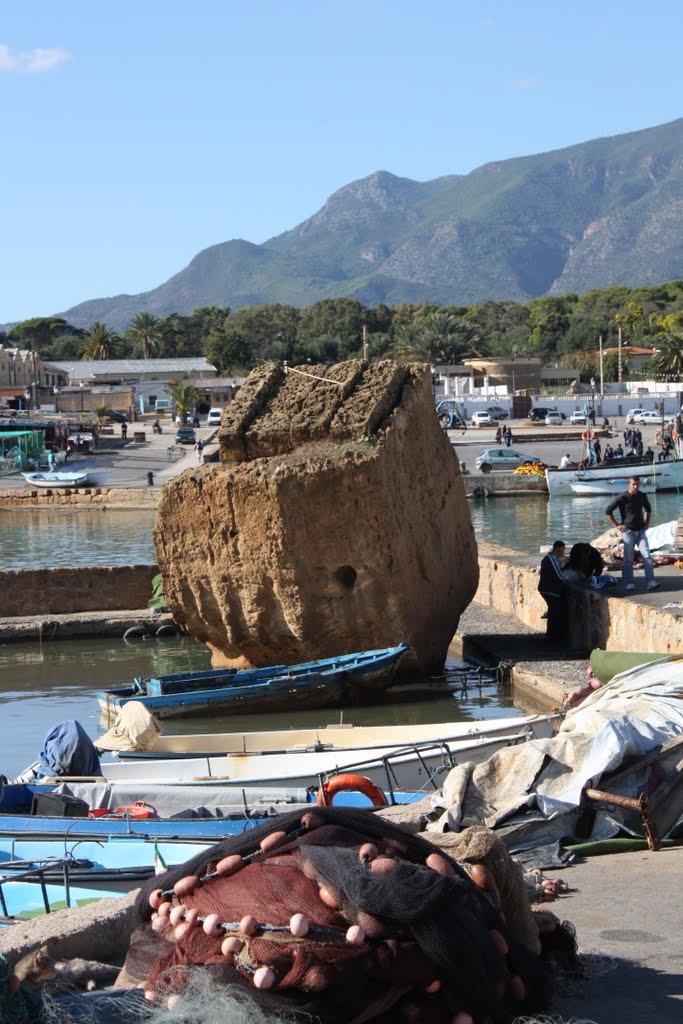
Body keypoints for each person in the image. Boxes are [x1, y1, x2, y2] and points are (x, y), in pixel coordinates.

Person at [605, 477, 659, 591]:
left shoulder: (642, 496)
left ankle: (651, 581)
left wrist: (647, 523)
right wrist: (617, 525)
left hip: (641, 531)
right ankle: (629, 582)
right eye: (634, 484)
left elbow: (648, 509)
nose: (636, 487)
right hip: (628, 532)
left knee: (647, 557)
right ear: (629, 485)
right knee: (628, 559)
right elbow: (608, 510)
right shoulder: (622, 497)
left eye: (638, 484)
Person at [538, 540, 569, 641]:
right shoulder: (552, 559)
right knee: (556, 611)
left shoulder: (551, 558)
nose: (563, 553)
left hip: (547, 588)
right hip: (549, 589)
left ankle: (551, 634)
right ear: (558, 549)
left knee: (553, 611)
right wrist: (568, 579)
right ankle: (554, 636)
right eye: (563, 550)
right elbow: (559, 575)